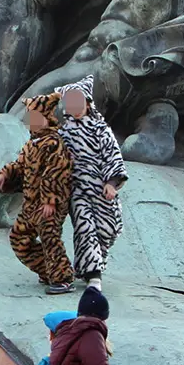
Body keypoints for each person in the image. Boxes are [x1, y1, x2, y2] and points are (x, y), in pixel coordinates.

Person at [0, 91, 76, 294]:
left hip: (49, 204)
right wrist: (3, 175)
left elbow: (56, 173)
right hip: (30, 204)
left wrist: (50, 201)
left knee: (50, 238)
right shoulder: (31, 144)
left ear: (47, 118)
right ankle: (48, 270)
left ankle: (63, 278)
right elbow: (18, 164)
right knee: (19, 238)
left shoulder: (54, 144)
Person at [55, 77, 127, 290]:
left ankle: (89, 264)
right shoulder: (64, 132)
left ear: (87, 103)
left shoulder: (100, 128)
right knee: (85, 228)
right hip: (78, 190)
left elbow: (113, 155)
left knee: (107, 230)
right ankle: (93, 276)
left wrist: (112, 182)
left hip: (102, 188)